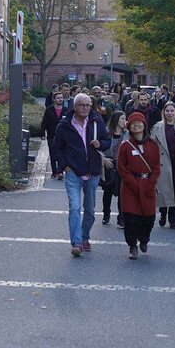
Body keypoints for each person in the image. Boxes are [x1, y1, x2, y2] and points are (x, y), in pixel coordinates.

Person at [52, 93, 111, 256]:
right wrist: (64, 166)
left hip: (93, 172)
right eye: (82, 105)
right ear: (75, 106)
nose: (85, 108)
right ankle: (77, 242)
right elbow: (56, 147)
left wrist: (101, 144)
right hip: (73, 172)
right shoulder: (64, 125)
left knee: (90, 210)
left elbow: (107, 141)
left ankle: (85, 237)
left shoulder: (97, 121)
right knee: (75, 207)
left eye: (88, 105)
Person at [117, 111, 160, 260]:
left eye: (139, 122)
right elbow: (121, 167)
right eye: (133, 123)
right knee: (131, 218)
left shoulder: (153, 145)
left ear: (144, 125)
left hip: (148, 185)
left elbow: (156, 167)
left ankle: (144, 239)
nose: (136, 125)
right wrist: (133, 183)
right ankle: (132, 246)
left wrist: (151, 183)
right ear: (129, 127)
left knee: (148, 218)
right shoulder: (125, 146)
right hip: (130, 187)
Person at [152, 101, 175, 229]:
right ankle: (163, 213)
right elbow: (152, 145)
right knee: (164, 189)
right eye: (167, 111)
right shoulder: (157, 127)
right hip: (163, 162)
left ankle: (173, 219)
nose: (170, 113)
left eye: (172, 111)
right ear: (163, 112)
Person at [101, 111, 127, 227]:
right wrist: (103, 159)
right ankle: (106, 213)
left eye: (125, 118)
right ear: (116, 120)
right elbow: (99, 149)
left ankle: (121, 217)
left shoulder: (127, 134)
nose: (124, 121)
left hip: (123, 166)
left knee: (122, 192)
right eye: (122, 118)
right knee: (108, 191)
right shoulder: (106, 133)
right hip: (110, 165)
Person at [40, 92, 66, 180]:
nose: (60, 99)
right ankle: (54, 172)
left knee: (61, 154)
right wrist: (42, 134)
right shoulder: (49, 110)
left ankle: (60, 171)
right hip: (51, 135)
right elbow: (44, 123)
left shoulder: (66, 110)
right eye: (58, 98)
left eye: (61, 98)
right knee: (53, 153)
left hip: (63, 137)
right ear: (54, 99)